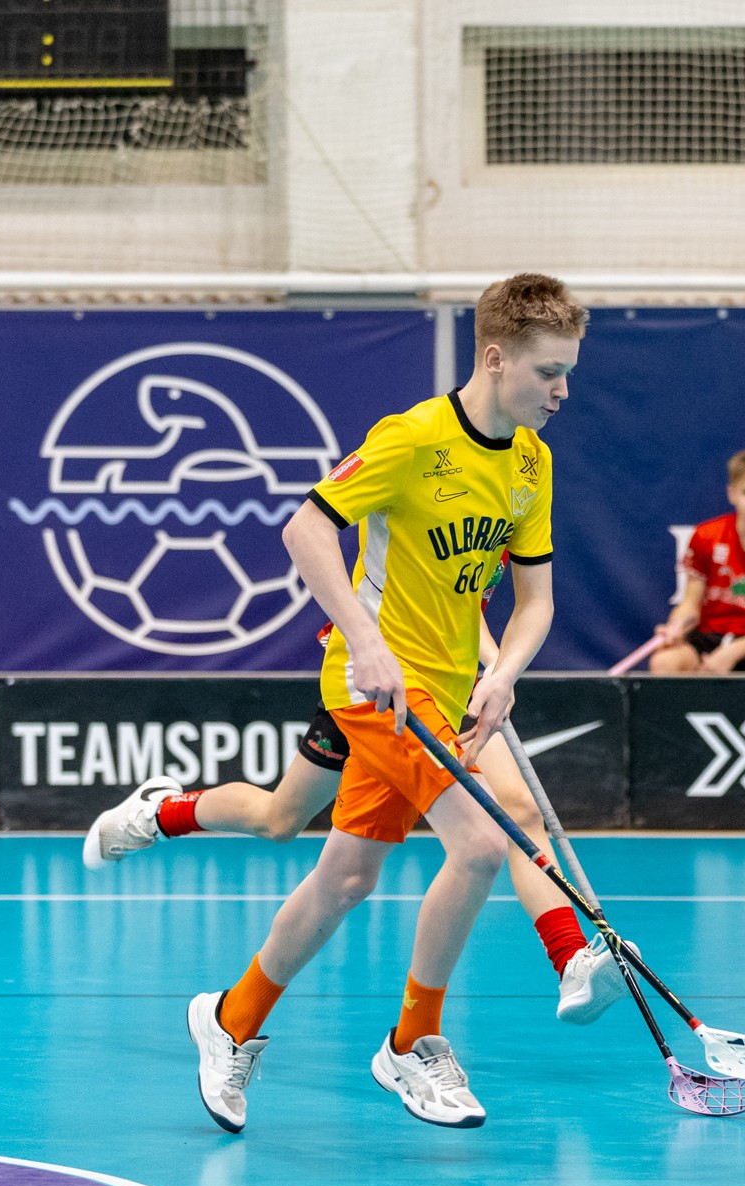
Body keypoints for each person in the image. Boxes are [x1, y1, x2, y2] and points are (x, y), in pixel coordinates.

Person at [145, 273, 584, 1134]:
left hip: (447, 689)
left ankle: (229, 1020)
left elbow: (534, 600)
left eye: (569, 372)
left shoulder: (531, 462)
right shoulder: (412, 438)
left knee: (345, 877)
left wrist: (503, 674)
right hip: (374, 681)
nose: (563, 390)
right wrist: (366, 639)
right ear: (497, 358)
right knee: (480, 843)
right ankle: (413, 1045)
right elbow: (305, 528)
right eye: (549, 372)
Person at [81, 555, 625, 1029]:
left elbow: (470, 600)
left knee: (517, 812)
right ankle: (161, 813)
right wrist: (493, 662)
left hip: (448, 677)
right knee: (280, 818)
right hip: (377, 676)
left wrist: (495, 667)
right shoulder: (436, 479)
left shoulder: (516, 494)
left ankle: (569, 960)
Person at [649, 448, 745, 675]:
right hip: (710, 638)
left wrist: (733, 652)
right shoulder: (706, 537)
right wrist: (677, 626)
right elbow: (691, 604)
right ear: (732, 494)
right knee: (665, 661)